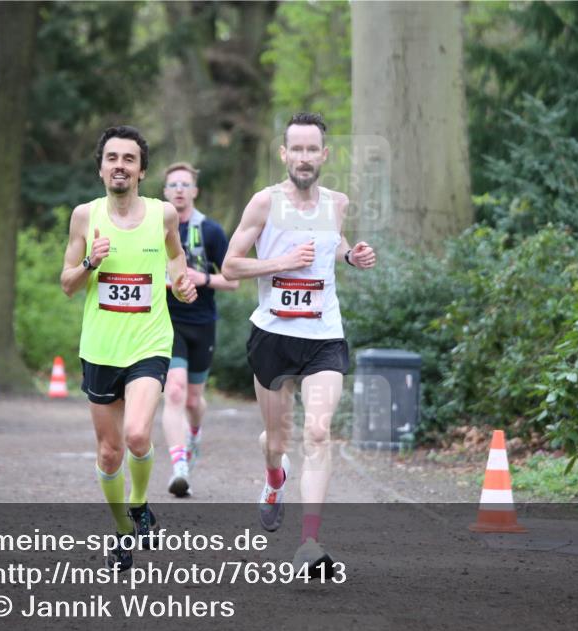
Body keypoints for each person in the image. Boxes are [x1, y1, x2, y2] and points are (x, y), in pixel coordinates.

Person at [221, 112, 376, 574]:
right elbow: (230, 266)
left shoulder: (338, 203)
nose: (305, 158)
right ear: (284, 154)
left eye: (314, 150)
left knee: (317, 432)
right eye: (298, 149)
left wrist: (350, 254)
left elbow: (335, 240)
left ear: (324, 155)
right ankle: (274, 478)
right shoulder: (264, 204)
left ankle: (310, 542)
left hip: (323, 337)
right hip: (272, 335)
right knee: (277, 439)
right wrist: (283, 261)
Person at [60, 125, 197, 571]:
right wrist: (90, 262)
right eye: (112, 158)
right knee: (108, 452)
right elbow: (67, 285)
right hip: (100, 348)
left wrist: (181, 282)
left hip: (149, 342)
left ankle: (139, 504)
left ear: (141, 171)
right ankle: (122, 530)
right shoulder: (85, 216)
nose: (120, 165)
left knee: (138, 434)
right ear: (101, 168)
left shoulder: (163, 216)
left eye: (129, 159)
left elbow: (176, 257)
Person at [160, 161, 238, 497]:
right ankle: (179, 466)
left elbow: (233, 280)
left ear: (194, 191)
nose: (178, 190)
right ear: (164, 192)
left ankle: (194, 432)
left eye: (184, 185)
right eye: (173, 185)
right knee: (174, 390)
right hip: (167, 321)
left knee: (193, 398)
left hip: (202, 323)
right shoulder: (153, 228)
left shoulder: (211, 231)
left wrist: (202, 278)